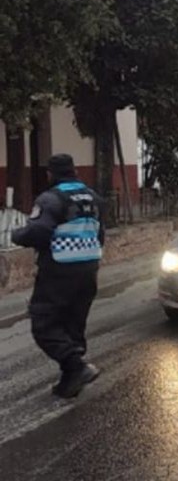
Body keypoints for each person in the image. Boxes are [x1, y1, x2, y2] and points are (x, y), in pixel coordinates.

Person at [12, 154, 104, 398]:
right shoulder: (93, 197)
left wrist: (16, 235)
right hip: (89, 269)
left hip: (59, 270)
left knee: (43, 323)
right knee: (73, 323)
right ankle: (70, 379)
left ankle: (76, 367)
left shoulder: (51, 199)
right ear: (74, 171)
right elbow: (100, 234)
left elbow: (39, 232)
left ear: (50, 174)